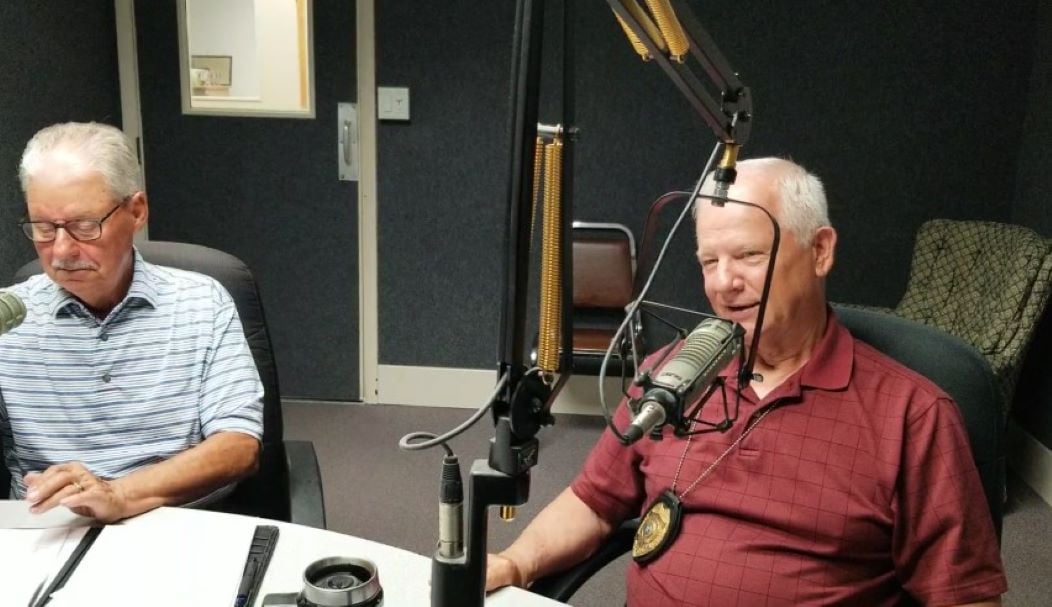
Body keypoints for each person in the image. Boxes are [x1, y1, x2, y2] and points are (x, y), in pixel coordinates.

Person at [487, 158, 1007, 605]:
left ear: (821, 250)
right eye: (709, 261)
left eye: (749, 256)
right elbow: (594, 502)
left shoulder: (912, 414)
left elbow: (963, 595)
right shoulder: (670, 373)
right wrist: (515, 563)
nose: (723, 284)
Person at [0, 122, 264, 523]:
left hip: (175, 522)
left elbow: (238, 445)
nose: (61, 250)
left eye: (85, 226)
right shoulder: (9, 317)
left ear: (136, 211)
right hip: (46, 529)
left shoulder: (201, 302)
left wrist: (118, 495)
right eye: (43, 228)